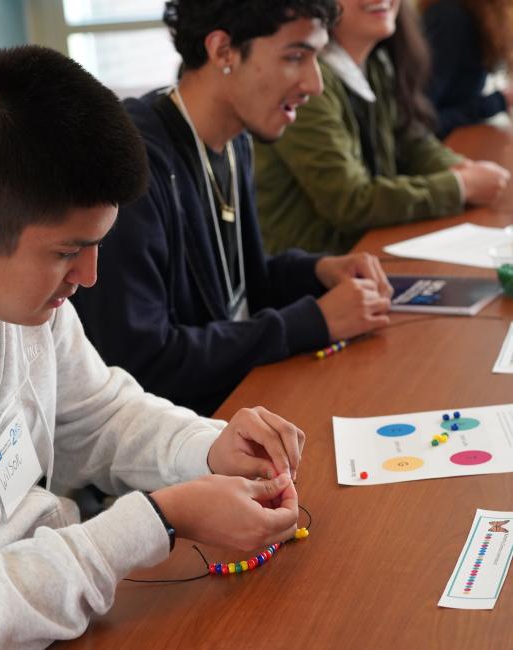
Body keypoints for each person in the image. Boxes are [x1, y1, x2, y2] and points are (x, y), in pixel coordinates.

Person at [0, 45, 308, 648]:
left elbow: (98, 413)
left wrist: (209, 449)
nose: (90, 277)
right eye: (69, 251)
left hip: (41, 603)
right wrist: (160, 518)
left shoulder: (6, 274)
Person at [72, 0, 394, 417]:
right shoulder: (133, 168)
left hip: (237, 403)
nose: (315, 84)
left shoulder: (235, 137)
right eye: (295, 56)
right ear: (222, 50)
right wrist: (311, 322)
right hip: (176, 441)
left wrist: (315, 273)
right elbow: (146, 365)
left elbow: (236, 290)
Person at [253, 0, 511, 256]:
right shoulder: (308, 86)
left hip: (363, 255)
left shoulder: (377, 63)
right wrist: (460, 185)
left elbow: (412, 142)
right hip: (318, 274)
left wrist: (461, 169)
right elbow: (350, 202)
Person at [421, 0, 513, 138]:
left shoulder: (477, 17)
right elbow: (421, 122)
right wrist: (497, 102)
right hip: (435, 150)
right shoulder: (450, 20)